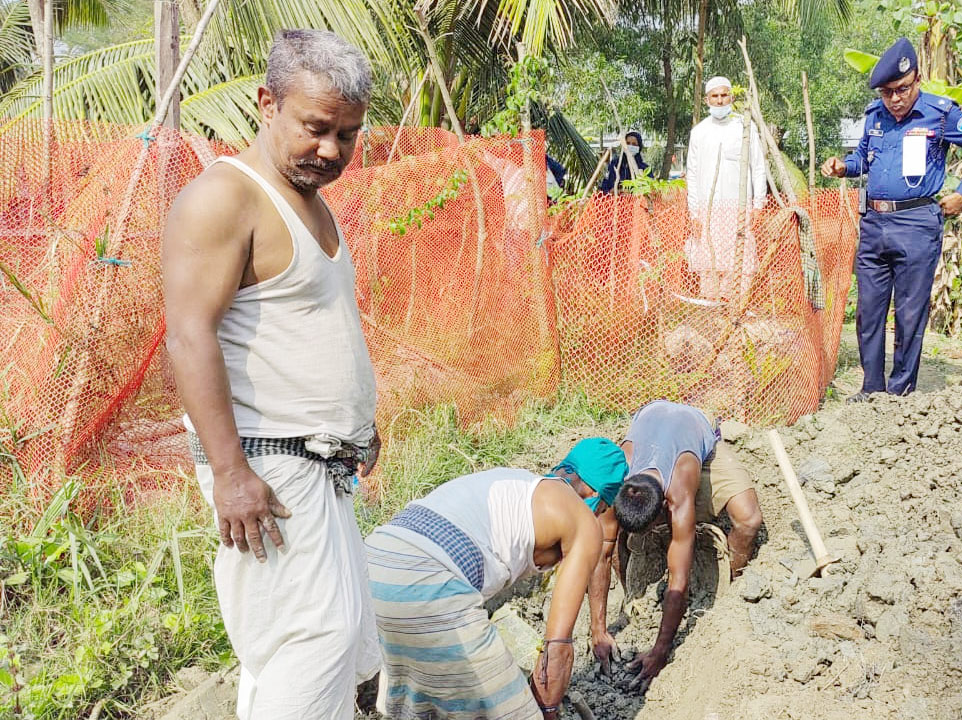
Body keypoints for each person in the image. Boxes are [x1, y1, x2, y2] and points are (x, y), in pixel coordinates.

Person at [162, 29, 379, 719]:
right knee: (315, 645)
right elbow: (188, 335)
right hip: (267, 467)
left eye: (347, 135)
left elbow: (306, 328)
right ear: (266, 103)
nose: (332, 150)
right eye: (317, 128)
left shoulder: (308, 202)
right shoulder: (226, 198)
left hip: (316, 466)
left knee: (316, 650)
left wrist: (357, 426)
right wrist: (229, 474)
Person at [365, 438, 629, 720]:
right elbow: (557, 648)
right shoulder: (582, 521)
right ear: (596, 493)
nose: (598, 516)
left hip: (371, 564)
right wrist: (548, 711)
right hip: (430, 581)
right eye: (602, 509)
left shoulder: (515, 482)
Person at [821, 38, 962, 400]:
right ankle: (871, 388)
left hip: (917, 223)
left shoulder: (941, 113)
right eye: (887, 92)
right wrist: (843, 166)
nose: (895, 99)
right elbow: (863, 161)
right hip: (873, 223)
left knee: (909, 313)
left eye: (902, 89)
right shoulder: (875, 116)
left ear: (917, 79)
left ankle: (900, 392)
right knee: (868, 311)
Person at [588, 400, 762, 689]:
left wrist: (660, 651)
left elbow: (677, 579)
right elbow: (601, 555)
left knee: (749, 519)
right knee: (607, 535)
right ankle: (631, 593)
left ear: (665, 509)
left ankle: (722, 592)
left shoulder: (680, 489)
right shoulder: (617, 476)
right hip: (651, 420)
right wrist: (598, 630)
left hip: (696, 436)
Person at [684, 76, 768, 300]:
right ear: (707, 99)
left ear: (731, 97)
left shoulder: (744, 127)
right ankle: (713, 317)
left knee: (740, 262)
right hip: (708, 211)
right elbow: (691, 174)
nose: (720, 101)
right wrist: (695, 213)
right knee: (711, 264)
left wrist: (758, 205)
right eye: (715, 96)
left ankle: (736, 315)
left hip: (739, 210)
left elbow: (758, 167)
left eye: (724, 95)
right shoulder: (699, 132)